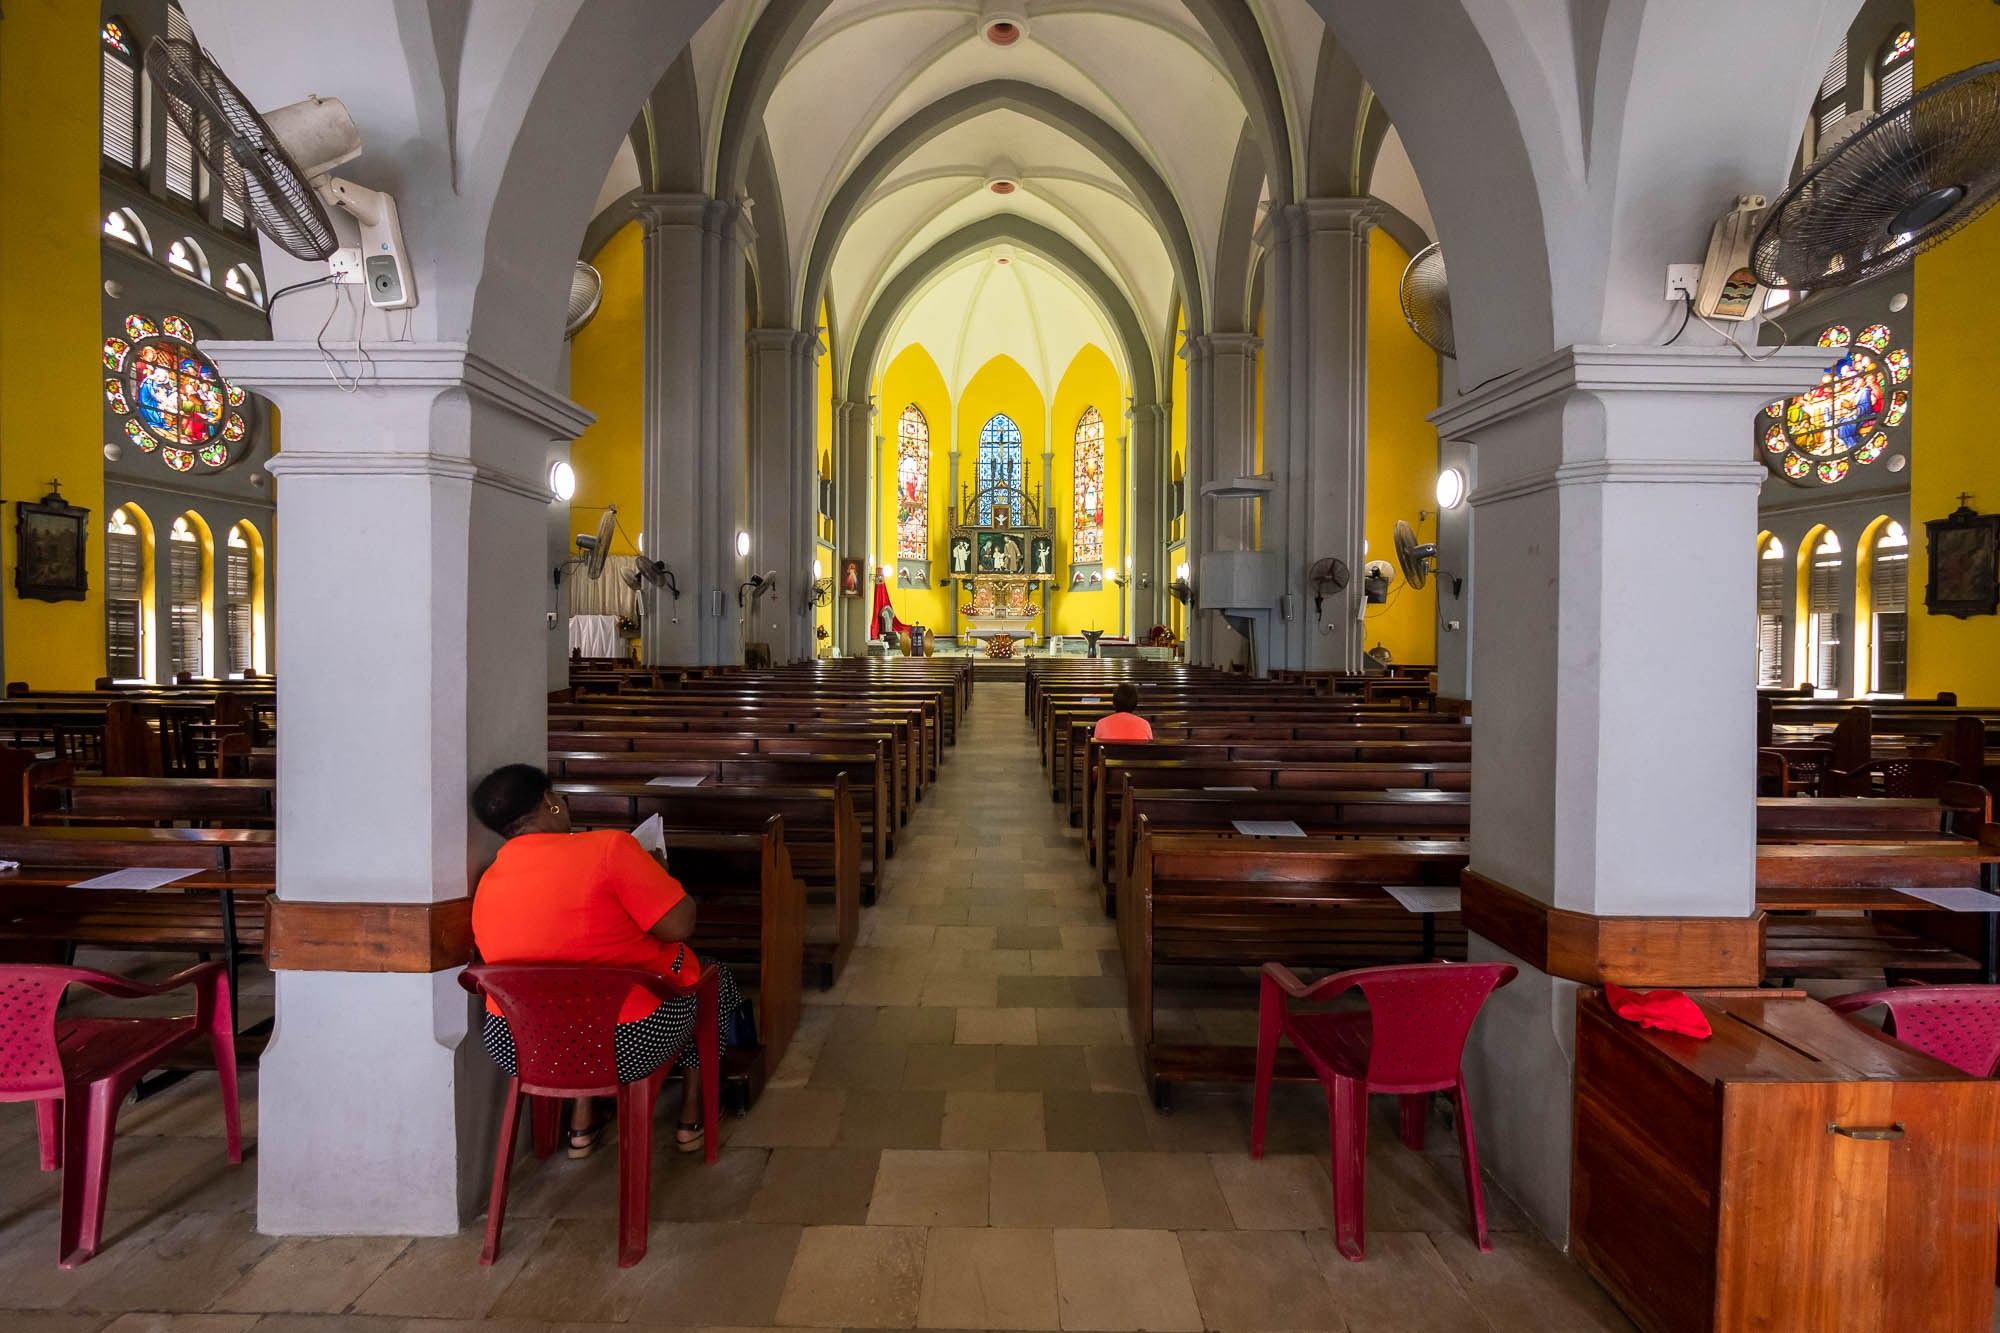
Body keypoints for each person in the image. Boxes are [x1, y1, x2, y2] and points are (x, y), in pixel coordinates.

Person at [469, 763, 745, 1158]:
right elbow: (681, 925)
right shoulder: (610, 848)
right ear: (549, 803)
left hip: (520, 1044)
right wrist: (657, 873)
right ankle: (691, 1114)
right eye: (558, 797)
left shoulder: (489, 878)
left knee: (574, 987)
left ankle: (581, 1120)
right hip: (628, 1040)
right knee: (709, 981)